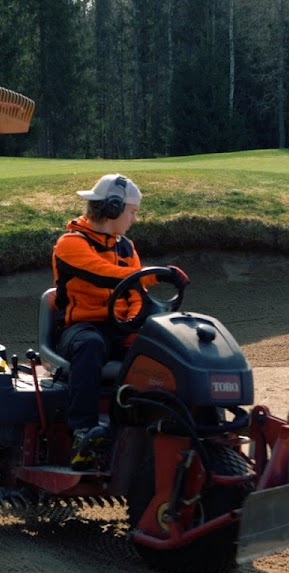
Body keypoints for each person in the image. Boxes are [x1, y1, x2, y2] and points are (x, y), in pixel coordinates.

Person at [51, 173, 188, 470]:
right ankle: (83, 432)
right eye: (133, 212)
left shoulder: (126, 247)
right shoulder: (70, 244)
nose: (134, 219)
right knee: (90, 345)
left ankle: (167, 425)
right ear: (113, 208)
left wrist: (135, 318)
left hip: (119, 325)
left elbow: (136, 291)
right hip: (80, 327)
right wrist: (156, 273)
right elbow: (102, 273)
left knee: (162, 349)